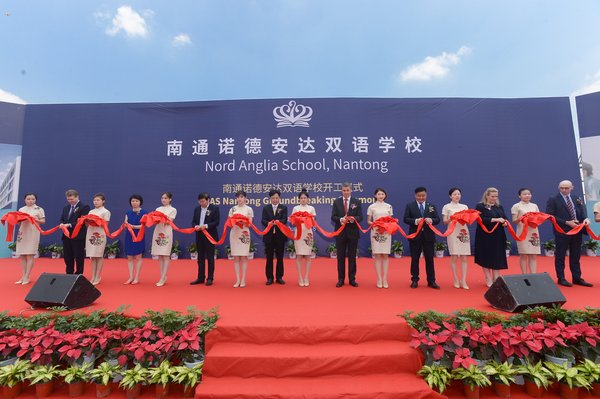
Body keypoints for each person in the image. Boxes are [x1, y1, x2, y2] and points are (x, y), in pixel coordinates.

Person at [546, 180, 593, 287]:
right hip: (562, 231)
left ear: (572, 187)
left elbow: (582, 210)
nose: (564, 190)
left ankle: (576, 278)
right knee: (560, 255)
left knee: (576, 255)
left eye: (566, 188)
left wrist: (585, 219)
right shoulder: (553, 199)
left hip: (577, 230)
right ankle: (561, 278)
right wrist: (567, 222)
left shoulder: (576, 198)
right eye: (561, 188)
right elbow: (550, 216)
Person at [403, 186, 441, 289]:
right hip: (415, 236)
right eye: (419, 196)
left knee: (429, 259)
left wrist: (431, 220)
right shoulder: (410, 206)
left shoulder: (431, 206)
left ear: (426, 195)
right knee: (415, 259)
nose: (421, 197)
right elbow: (405, 219)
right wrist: (415, 221)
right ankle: (415, 280)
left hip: (428, 237)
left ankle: (431, 281)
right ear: (415, 196)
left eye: (423, 195)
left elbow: (437, 219)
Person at [474, 187, 508, 287]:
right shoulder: (480, 206)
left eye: (496, 196)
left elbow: (505, 218)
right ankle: (488, 278)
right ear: (487, 196)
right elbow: (481, 219)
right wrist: (496, 220)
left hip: (498, 236)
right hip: (485, 236)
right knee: (486, 256)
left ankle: (496, 278)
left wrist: (505, 222)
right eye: (492, 196)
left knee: (497, 256)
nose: (494, 198)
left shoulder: (499, 206)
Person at [331, 182, 363, 287]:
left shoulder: (356, 201)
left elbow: (360, 217)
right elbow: (333, 217)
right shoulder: (336, 202)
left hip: (353, 233)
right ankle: (340, 279)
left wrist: (354, 219)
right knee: (340, 257)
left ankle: (352, 279)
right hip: (340, 233)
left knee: (352, 257)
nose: (346, 192)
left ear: (351, 190)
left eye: (347, 190)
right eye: (344, 190)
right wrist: (340, 219)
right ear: (341, 191)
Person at [441, 187, 470, 289]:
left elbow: (468, 220)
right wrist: (452, 218)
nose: (457, 196)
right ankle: (456, 279)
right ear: (450, 196)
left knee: (464, 257)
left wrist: (464, 217)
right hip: (452, 231)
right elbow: (444, 221)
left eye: (458, 194)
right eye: (454, 194)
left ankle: (464, 280)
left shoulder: (465, 206)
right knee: (454, 256)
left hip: (463, 231)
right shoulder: (446, 207)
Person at [15, 193, 45, 284]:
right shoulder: (21, 209)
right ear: (25, 200)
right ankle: (23, 276)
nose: (30, 200)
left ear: (35, 200)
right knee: (22, 255)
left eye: (32, 199)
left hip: (33, 233)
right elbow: (18, 223)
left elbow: (43, 221)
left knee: (29, 254)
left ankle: (27, 276)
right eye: (28, 199)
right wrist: (19, 220)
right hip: (23, 233)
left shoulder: (39, 209)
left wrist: (35, 219)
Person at [190, 192, 220, 286]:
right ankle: (200, 277)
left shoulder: (214, 209)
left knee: (210, 257)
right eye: (200, 201)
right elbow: (193, 221)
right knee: (200, 257)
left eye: (203, 201)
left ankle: (210, 278)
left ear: (208, 200)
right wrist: (196, 226)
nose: (201, 203)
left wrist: (205, 226)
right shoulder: (197, 209)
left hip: (210, 236)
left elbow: (216, 222)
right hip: (199, 236)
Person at [59, 189, 90, 275]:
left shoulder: (84, 207)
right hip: (66, 235)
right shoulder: (66, 208)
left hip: (78, 236)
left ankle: (79, 273)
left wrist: (69, 225)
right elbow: (62, 219)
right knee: (67, 256)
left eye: (72, 199)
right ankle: (69, 272)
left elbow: (82, 221)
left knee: (79, 256)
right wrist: (61, 224)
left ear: (77, 197)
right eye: (68, 199)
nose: (70, 201)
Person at [367, 188, 393, 288]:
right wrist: (375, 224)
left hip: (386, 232)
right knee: (377, 255)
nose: (381, 196)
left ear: (385, 195)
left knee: (385, 255)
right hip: (376, 232)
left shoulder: (389, 206)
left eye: (382, 194)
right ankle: (379, 278)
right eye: (379, 194)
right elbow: (368, 221)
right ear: (375, 195)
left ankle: (385, 278)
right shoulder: (371, 207)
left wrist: (386, 225)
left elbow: (391, 220)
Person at [261, 189, 288, 285]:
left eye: (277, 198)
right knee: (269, 257)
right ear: (270, 199)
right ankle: (269, 278)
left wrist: (277, 222)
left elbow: (284, 220)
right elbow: (263, 220)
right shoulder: (266, 208)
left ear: (279, 198)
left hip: (280, 236)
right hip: (269, 237)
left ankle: (279, 277)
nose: (275, 200)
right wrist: (268, 223)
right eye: (273, 198)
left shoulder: (283, 208)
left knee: (280, 257)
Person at [511, 188, 541, 274]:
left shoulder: (534, 205)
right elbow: (514, 221)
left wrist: (536, 221)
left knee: (533, 255)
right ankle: (524, 275)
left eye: (529, 194)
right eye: (524, 194)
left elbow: (539, 218)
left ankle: (533, 275)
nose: (527, 195)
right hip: (522, 232)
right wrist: (523, 218)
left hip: (533, 231)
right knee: (523, 255)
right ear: (519, 196)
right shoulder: (516, 206)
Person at [291, 189, 316, 287]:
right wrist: (300, 219)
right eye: (301, 198)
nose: (303, 199)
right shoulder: (296, 208)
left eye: (305, 198)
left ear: (308, 199)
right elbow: (292, 221)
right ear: (299, 199)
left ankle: (306, 277)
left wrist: (306, 218)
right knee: (299, 256)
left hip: (308, 233)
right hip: (298, 234)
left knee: (308, 256)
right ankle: (300, 277)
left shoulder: (311, 208)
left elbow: (313, 221)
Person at [228, 190, 254, 288]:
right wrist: (235, 221)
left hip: (244, 233)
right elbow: (229, 223)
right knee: (236, 258)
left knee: (243, 257)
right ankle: (237, 279)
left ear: (245, 198)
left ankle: (243, 279)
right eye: (238, 197)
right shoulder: (233, 209)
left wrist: (243, 222)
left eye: (242, 197)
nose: (240, 199)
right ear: (236, 198)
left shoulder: (249, 209)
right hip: (234, 233)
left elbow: (249, 223)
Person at [151, 192, 177, 287]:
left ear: (170, 199)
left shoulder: (173, 209)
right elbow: (154, 220)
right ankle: (162, 275)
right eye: (162, 198)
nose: (163, 200)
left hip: (166, 232)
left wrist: (161, 218)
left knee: (165, 255)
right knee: (160, 256)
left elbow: (169, 221)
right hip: (158, 231)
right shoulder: (158, 209)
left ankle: (163, 277)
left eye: (165, 198)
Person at [86, 193, 111, 285]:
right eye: (95, 200)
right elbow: (86, 224)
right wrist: (86, 221)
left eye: (98, 200)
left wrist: (96, 222)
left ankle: (98, 276)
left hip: (100, 234)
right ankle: (93, 276)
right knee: (92, 256)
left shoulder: (106, 211)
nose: (96, 202)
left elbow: (105, 225)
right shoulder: (91, 211)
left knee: (99, 255)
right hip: (90, 233)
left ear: (103, 201)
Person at [124, 194, 148, 285]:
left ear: (140, 202)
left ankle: (137, 277)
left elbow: (144, 226)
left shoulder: (144, 213)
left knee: (138, 257)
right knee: (129, 257)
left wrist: (133, 226)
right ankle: (131, 277)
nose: (134, 203)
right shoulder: (128, 212)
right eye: (133, 201)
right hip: (129, 236)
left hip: (139, 236)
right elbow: (126, 223)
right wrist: (126, 225)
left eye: (136, 201)